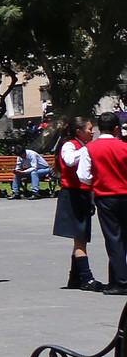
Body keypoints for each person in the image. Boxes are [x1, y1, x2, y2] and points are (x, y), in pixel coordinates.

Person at [54, 117, 100, 291]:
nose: (92, 131)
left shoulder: (81, 145)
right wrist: (88, 149)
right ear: (79, 131)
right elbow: (69, 160)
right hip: (73, 194)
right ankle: (86, 278)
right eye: (89, 129)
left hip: (82, 194)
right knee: (80, 238)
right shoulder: (70, 145)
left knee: (80, 238)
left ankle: (75, 278)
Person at [88, 112, 127, 295]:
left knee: (113, 238)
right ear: (116, 128)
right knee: (123, 239)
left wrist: (95, 181)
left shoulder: (90, 148)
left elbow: (83, 175)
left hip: (106, 196)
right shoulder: (124, 147)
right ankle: (117, 279)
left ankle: (120, 281)